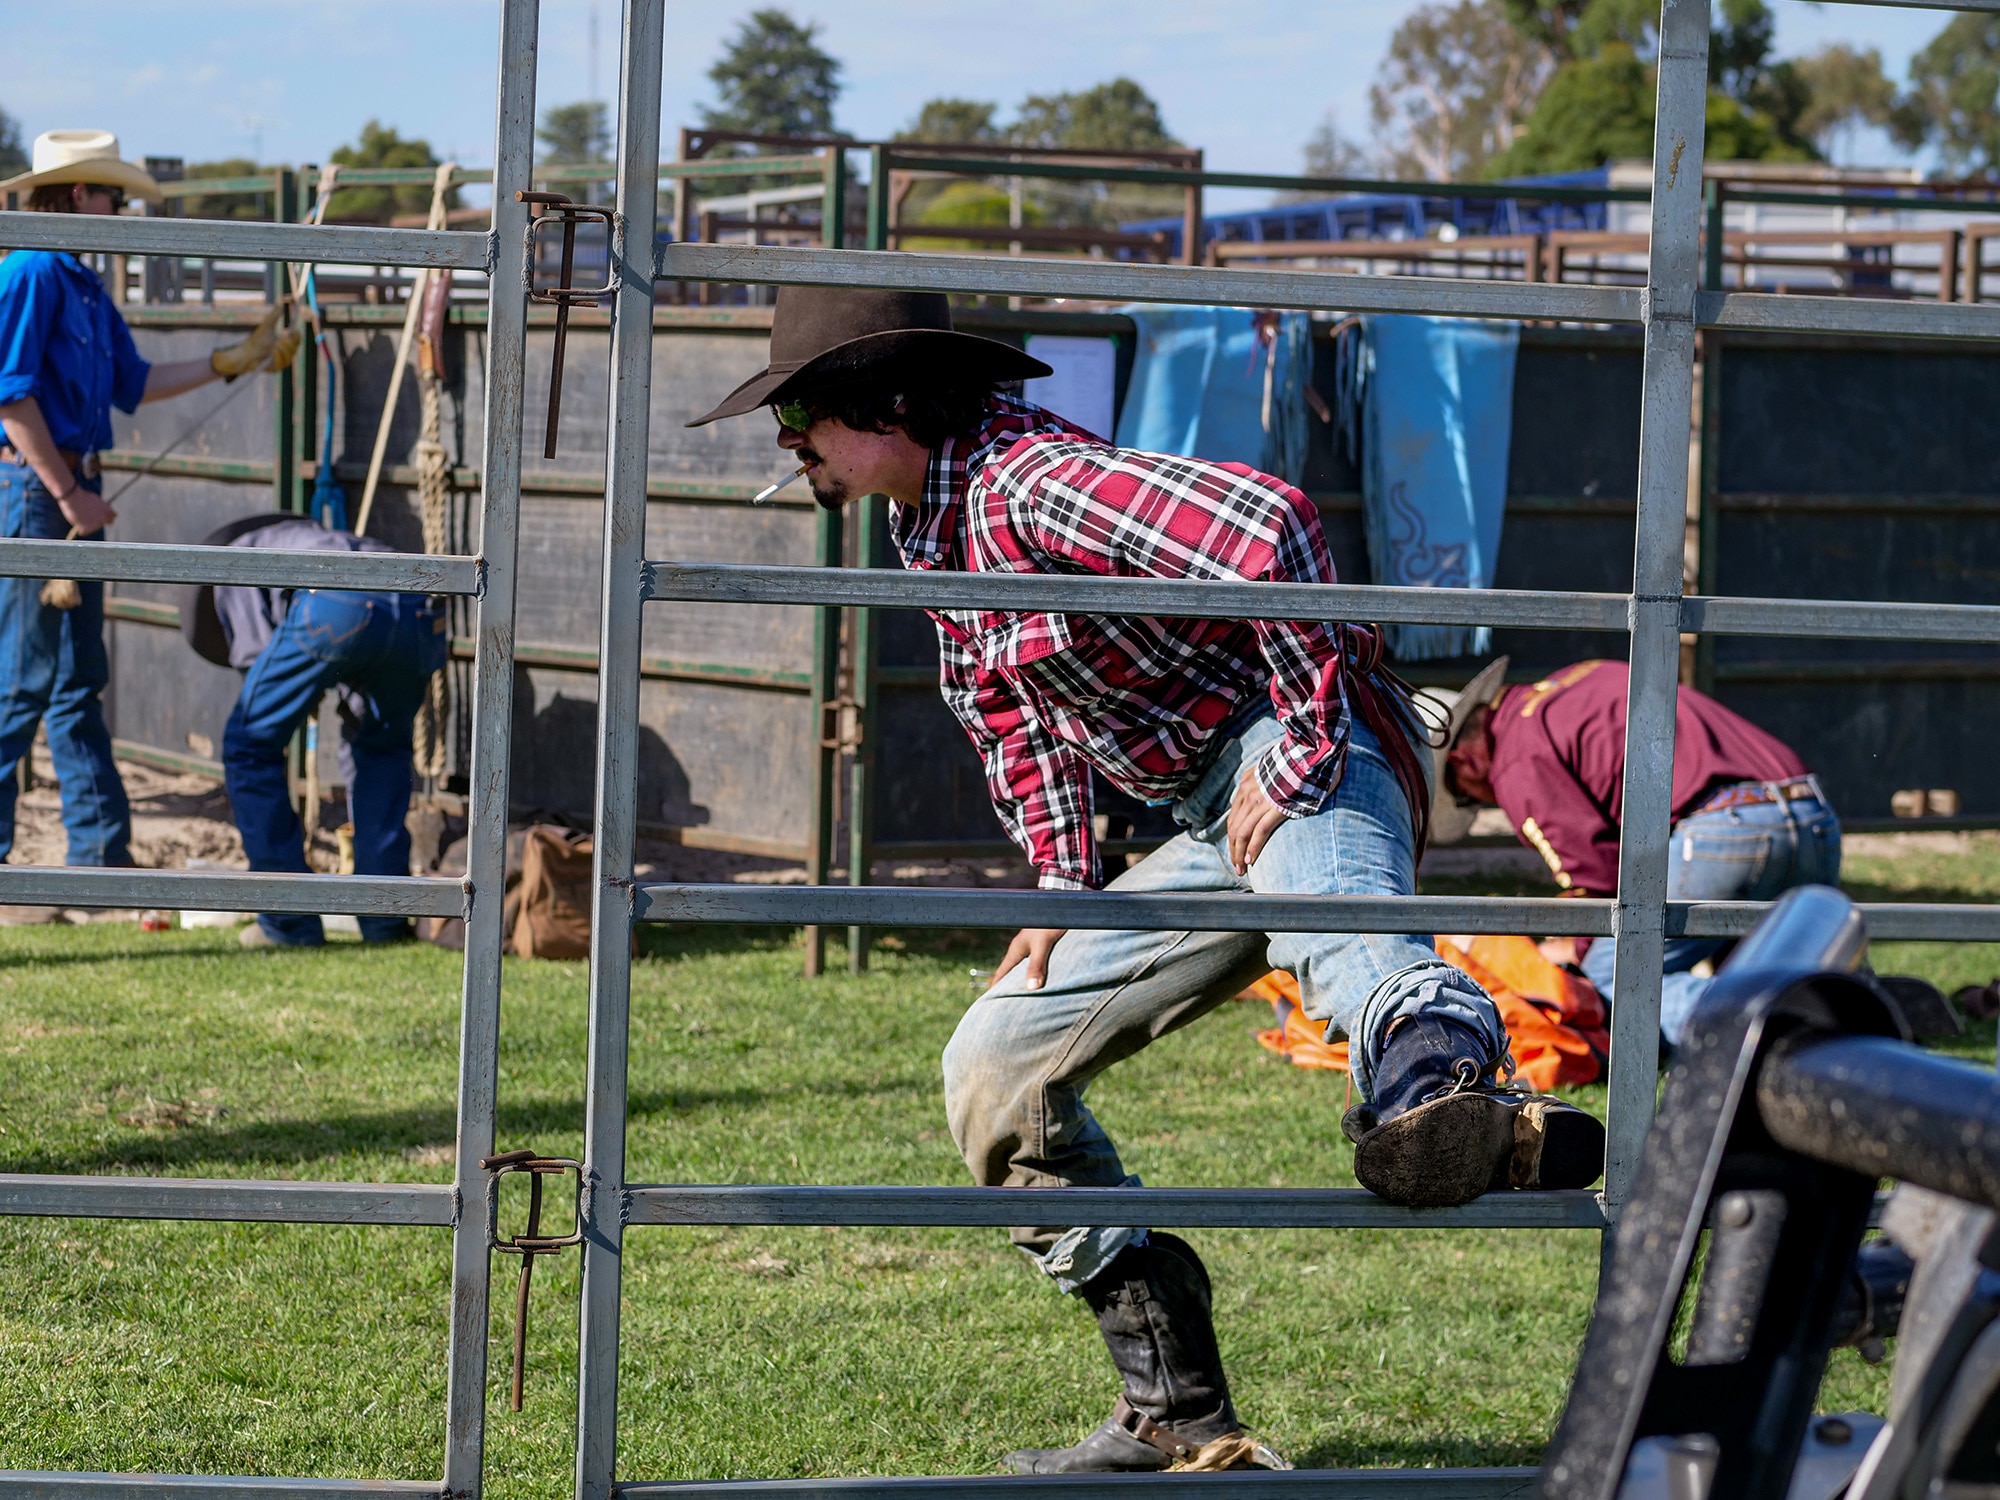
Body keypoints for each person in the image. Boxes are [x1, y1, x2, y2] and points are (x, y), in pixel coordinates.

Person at [688, 289, 1606, 1472]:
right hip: (1200, 819)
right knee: (992, 1066)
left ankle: (1442, 1085)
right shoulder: (927, 531)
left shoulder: (1026, 482)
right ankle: (1176, 1412)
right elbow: (1012, 724)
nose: (787, 439)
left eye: (800, 410)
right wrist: (1063, 889)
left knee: (1330, 912)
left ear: (892, 406)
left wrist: (1310, 741)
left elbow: (1267, 523)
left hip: (1301, 748)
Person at [0, 130, 297, 868]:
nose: (123, 208)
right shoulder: (33, 268)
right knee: (25, 677)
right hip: (39, 488)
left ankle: (99, 860)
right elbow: (9, 396)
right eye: (114, 195)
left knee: (74, 679)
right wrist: (68, 493)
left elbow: (134, 383)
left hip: (66, 489)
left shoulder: (83, 285)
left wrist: (234, 361)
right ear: (79, 196)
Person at [1433, 656, 1841, 1046]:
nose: (1485, 800)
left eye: (1466, 798)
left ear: (1463, 762)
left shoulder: (1515, 761)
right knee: (1765, 963)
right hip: (1812, 814)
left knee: (1615, 979)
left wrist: (1574, 946)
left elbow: (1599, 877)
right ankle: (1850, 1017)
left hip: (1726, 830)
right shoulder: (1575, 680)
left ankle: (1779, 1026)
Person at [180, 515, 449, 948]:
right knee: (382, 751)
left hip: (338, 604)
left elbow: (259, 667)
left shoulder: (229, 573)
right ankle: (384, 923)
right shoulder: (308, 536)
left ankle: (289, 923)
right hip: (419, 604)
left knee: (249, 746)